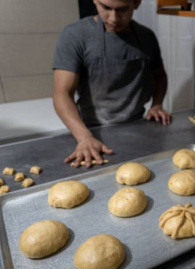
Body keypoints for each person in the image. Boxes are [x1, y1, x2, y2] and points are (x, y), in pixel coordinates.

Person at [53, 0, 171, 168]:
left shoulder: (146, 37)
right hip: (91, 131)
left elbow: (160, 76)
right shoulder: (75, 35)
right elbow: (62, 93)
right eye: (106, 8)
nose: (114, 18)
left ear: (136, 3)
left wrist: (157, 104)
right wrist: (84, 137)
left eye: (122, 9)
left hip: (138, 126)